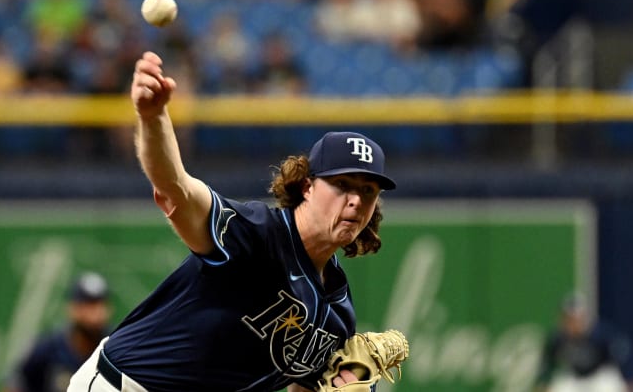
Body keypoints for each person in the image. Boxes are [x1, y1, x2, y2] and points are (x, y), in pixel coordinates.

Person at [67, 51, 397, 392]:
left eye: (368, 190)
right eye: (342, 185)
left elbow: (305, 386)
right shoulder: (257, 235)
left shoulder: (338, 315)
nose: (356, 200)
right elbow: (176, 188)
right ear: (308, 187)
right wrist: (153, 119)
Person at [3, 272, 112, 392]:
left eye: (100, 305)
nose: (95, 313)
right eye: (88, 305)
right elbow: (14, 386)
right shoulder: (47, 348)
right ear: (72, 308)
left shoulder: (114, 348)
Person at [534, 294, 633, 392]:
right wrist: (543, 382)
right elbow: (548, 363)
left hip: (600, 375)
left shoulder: (601, 335)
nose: (573, 323)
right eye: (569, 319)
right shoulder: (558, 338)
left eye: (577, 319)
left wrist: (631, 380)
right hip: (575, 377)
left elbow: (625, 357)